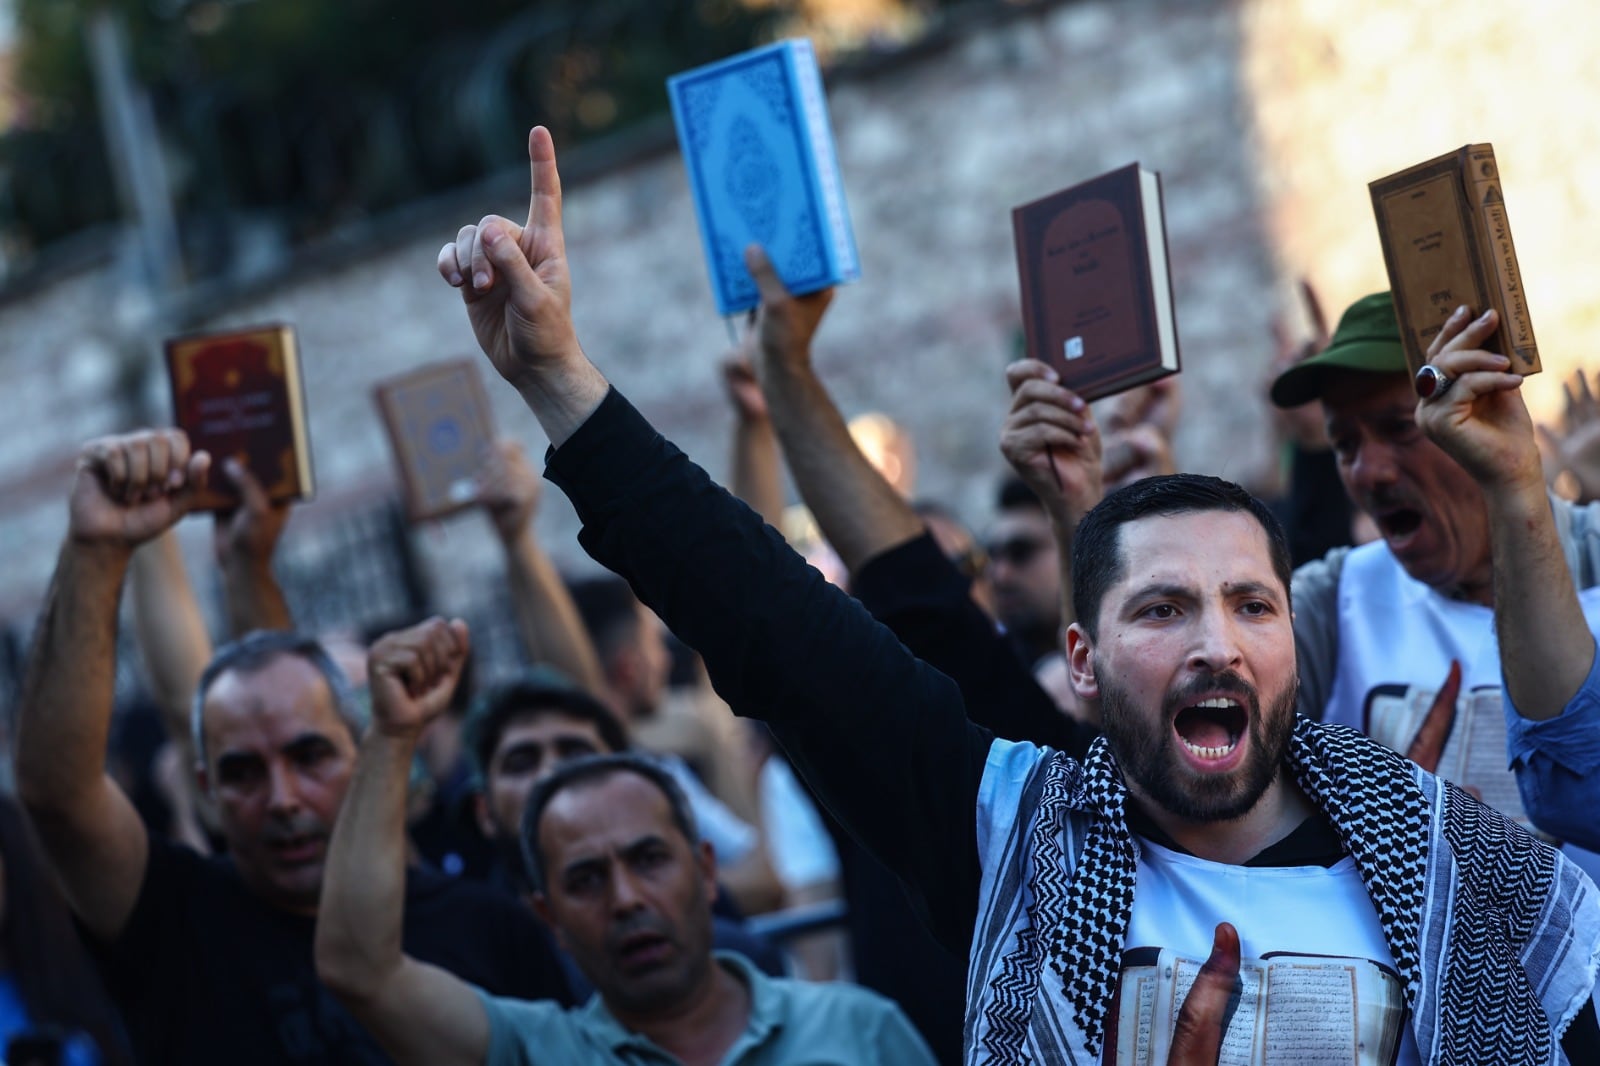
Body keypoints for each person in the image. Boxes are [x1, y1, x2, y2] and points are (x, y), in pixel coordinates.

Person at [431, 125, 1600, 1063]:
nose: (1215, 642)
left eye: (1250, 603)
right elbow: (770, 622)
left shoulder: (1448, 861)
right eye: (1161, 609)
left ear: (1294, 639)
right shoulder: (1010, 834)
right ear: (1081, 660)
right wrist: (559, 380)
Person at [13, 430, 572, 1065]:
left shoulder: (492, 929)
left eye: (309, 758)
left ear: (363, 757)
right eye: (243, 773)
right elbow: (57, 794)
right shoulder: (174, 914)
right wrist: (94, 553)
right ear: (206, 789)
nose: (282, 799)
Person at [314, 617, 937, 1065]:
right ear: (548, 916)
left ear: (706, 871)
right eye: (585, 879)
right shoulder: (537, 1051)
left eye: (649, 859)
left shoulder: (859, 1032)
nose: (626, 898)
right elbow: (359, 970)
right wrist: (391, 737)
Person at [1269, 294, 1600, 851]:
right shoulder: (1332, 603)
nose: (1368, 472)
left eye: (1401, 429)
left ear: (1482, 415)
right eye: (1344, 444)